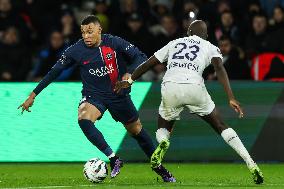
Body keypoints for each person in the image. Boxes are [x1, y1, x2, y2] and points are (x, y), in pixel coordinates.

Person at [18, 15, 175, 182]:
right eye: (83, 33)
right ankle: (114, 158)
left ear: (99, 30)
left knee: (136, 130)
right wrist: (33, 95)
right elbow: (54, 72)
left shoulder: (114, 42)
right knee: (83, 117)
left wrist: (129, 74)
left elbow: (140, 57)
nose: (86, 36)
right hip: (94, 95)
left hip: (118, 94)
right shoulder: (75, 50)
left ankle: (159, 168)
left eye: (90, 32)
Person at [114, 20, 264, 184]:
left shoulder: (174, 43)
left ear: (188, 33)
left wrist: (130, 81)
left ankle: (164, 141)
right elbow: (219, 68)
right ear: (206, 35)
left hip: (170, 85)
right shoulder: (209, 46)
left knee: (163, 125)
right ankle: (251, 163)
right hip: (194, 86)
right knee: (220, 125)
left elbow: (149, 63)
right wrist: (230, 97)